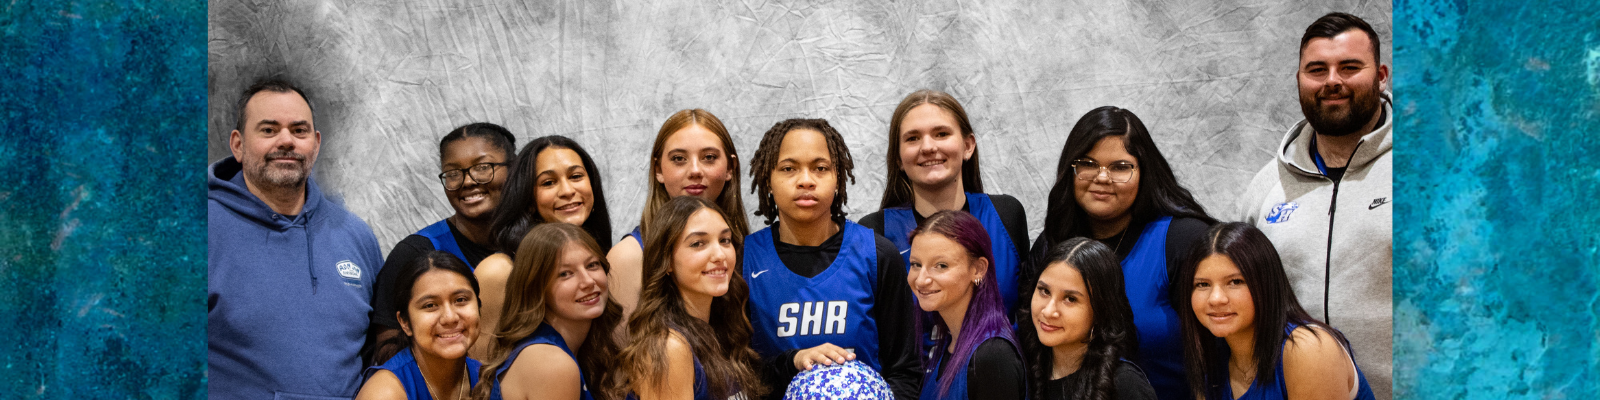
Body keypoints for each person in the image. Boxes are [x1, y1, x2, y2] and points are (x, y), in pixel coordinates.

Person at [1232, 13, 1392, 399]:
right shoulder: (1267, 185)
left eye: (1350, 67)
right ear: (1300, 79)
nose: (1332, 81)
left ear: (1382, 75)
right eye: (1317, 69)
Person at [209, 78, 384, 399]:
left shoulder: (356, 236)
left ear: (316, 144)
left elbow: (378, 353)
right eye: (269, 130)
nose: (286, 141)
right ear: (238, 144)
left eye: (299, 130)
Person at [1030, 106, 1215, 400]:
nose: (1102, 177)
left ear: (1144, 171)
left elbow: (1227, 348)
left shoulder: (1182, 240)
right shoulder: (1051, 245)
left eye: (1120, 167)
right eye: (1087, 163)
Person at [741, 118, 920, 400]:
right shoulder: (743, 259)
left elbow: (905, 371)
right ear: (768, 179)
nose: (805, 180)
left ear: (838, 178)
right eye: (788, 168)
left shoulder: (877, 254)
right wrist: (792, 361)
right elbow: (735, 373)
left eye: (820, 168)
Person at [860, 89, 1029, 315]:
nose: (928, 147)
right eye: (913, 138)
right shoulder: (874, 232)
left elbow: (1028, 313)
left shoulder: (1006, 214)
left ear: (968, 146)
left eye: (941, 134)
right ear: (898, 158)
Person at [1174, 223, 1376, 400]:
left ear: (1266, 285)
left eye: (1235, 282)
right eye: (1202, 285)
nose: (1216, 298)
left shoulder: (1307, 349)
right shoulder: (1209, 353)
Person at [370, 123, 516, 366]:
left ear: (515, 170)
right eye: (453, 173)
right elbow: (388, 352)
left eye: (482, 167)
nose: (467, 182)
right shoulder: (418, 253)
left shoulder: (535, 243)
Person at [472, 135, 613, 359]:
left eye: (576, 176)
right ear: (527, 200)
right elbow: (482, 373)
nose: (567, 190)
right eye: (548, 182)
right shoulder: (500, 271)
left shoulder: (603, 260)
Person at [612, 196, 767, 400]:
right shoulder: (668, 347)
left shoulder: (722, 329)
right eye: (698, 243)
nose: (719, 254)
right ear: (666, 261)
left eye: (724, 240)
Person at [608, 109, 750, 320]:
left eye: (709, 157)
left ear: (730, 167)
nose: (694, 170)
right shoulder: (629, 256)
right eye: (679, 158)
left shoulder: (746, 248)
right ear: (658, 169)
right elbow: (623, 352)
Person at [472, 223, 623, 400]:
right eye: (565, 273)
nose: (588, 281)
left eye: (592, 265)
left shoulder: (579, 351)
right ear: (537, 289)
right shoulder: (552, 363)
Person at [906, 210, 1025, 400]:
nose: (921, 280)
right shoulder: (950, 341)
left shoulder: (992, 355)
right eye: (916, 264)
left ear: (978, 269)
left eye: (941, 265)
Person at [1019, 237, 1156, 400]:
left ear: (1101, 311)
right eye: (1044, 291)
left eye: (1070, 299)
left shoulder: (1126, 385)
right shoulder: (1022, 367)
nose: (1049, 311)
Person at [357, 251, 484, 400]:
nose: (450, 317)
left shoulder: (487, 378)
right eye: (430, 305)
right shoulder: (384, 393)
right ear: (405, 322)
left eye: (461, 300)